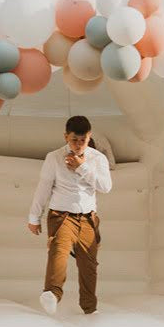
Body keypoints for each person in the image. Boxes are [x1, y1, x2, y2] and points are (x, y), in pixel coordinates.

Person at [28, 114, 112, 316]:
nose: (78, 145)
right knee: (59, 253)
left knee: (89, 266)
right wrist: (34, 217)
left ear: (89, 137)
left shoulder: (98, 158)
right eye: (74, 140)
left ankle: (90, 308)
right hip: (61, 215)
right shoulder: (54, 157)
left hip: (88, 218)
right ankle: (52, 293)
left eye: (83, 140)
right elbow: (43, 188)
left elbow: (106, 187)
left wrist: (81, 167)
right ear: (66, 137)